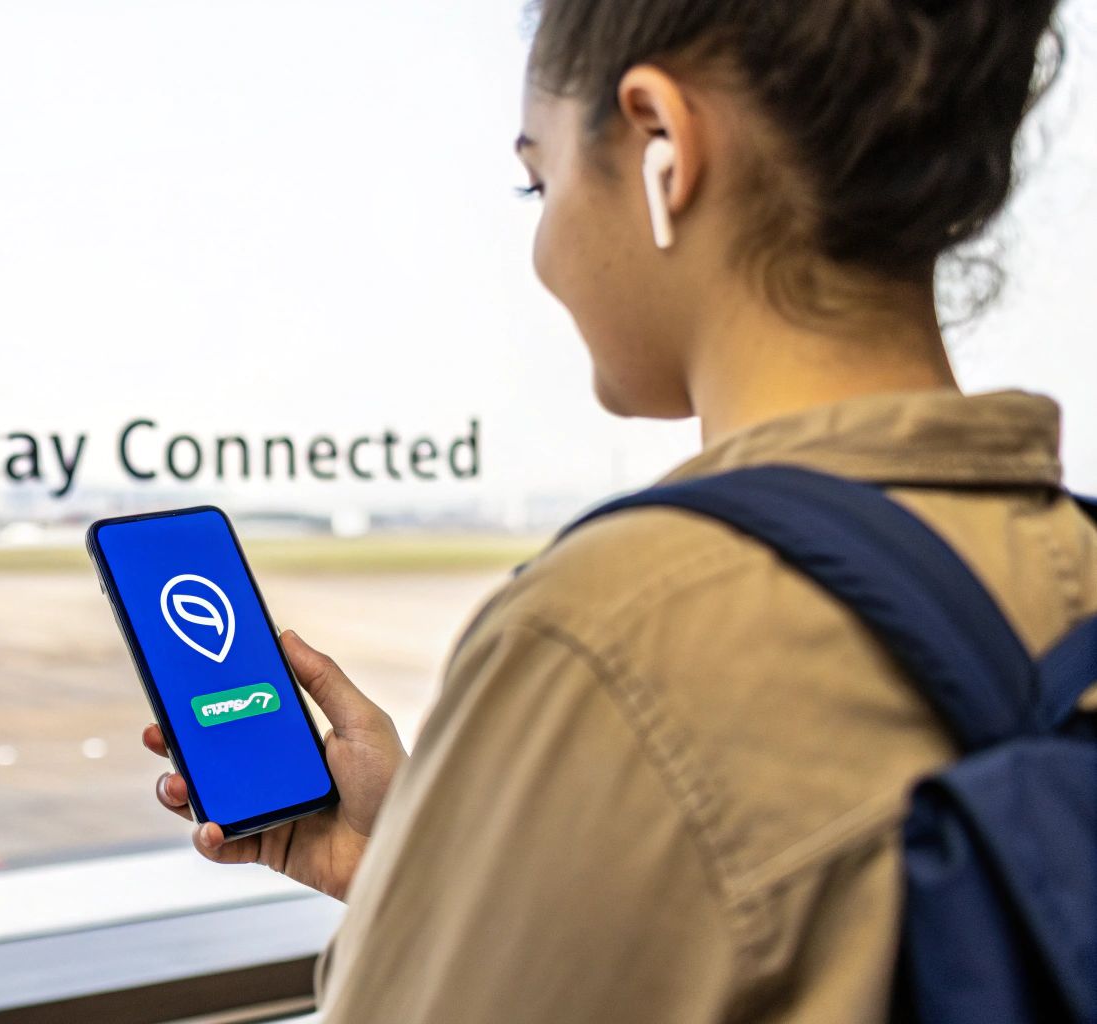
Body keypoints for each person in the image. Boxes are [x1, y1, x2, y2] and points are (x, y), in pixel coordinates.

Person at [140, 0, 1092, 1019]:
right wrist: (430, 865)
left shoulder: (606, 632)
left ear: (659, 144)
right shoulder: (1069, 551)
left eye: (535, 179)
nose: (542, 247)